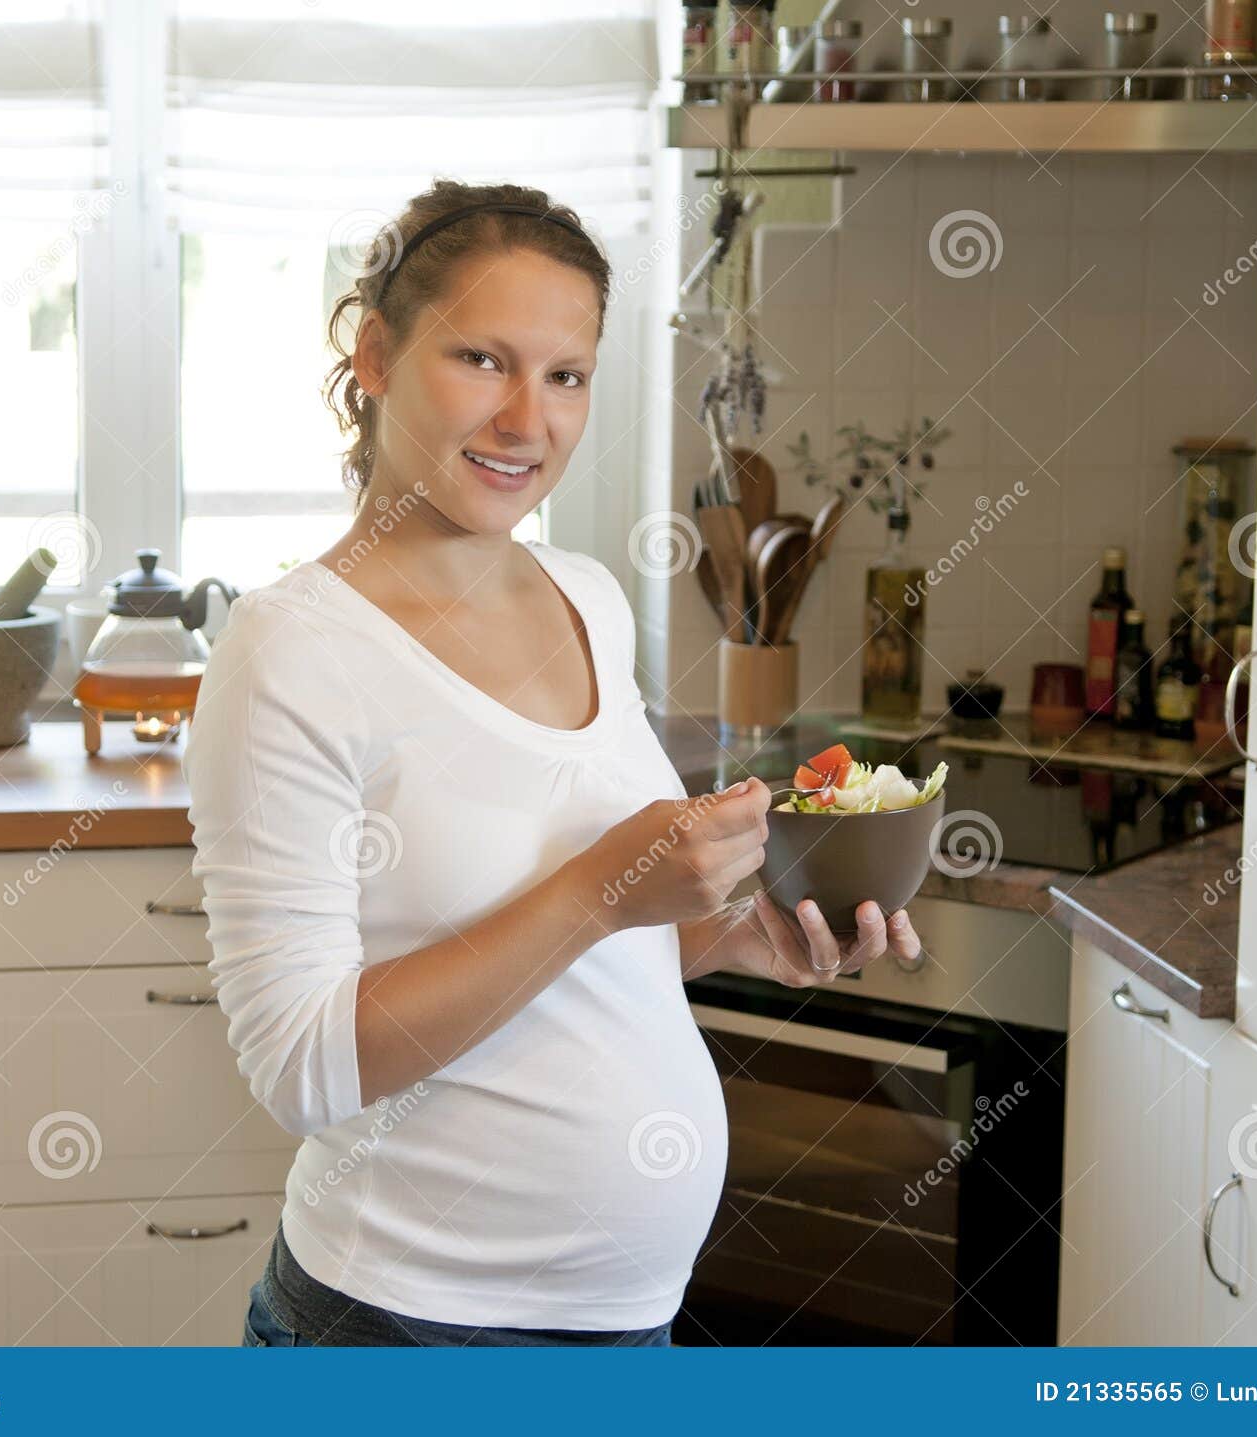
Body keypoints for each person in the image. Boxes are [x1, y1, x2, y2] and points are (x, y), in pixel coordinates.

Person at [183, 178, 923, 1348]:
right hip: (407, 1335)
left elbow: (579, 966)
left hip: (627, 1332)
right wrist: (607, 890)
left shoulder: (586, 597)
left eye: (565, 374)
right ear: (375, 354)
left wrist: (728, 931)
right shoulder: (290, 652)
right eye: (480, 359)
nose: (528, 420)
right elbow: (302, 1066)